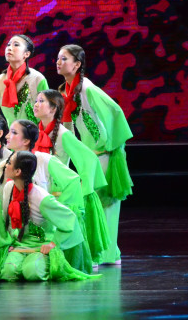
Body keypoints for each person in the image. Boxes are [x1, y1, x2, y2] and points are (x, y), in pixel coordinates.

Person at [57, 44, 133, 265]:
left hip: (104, 154)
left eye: (64, 58)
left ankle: (106, 254)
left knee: (104, 204)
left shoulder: (87, 89)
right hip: (90, 155)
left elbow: (115, 111)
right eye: (58, 58)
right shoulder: (67, 91)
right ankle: (105, 253)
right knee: (93, 204)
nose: (58, 62)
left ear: (77, 64)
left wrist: (109, 145)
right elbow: (68, 125)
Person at [0, 119, 95, 274]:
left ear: (26, 140)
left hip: (45, 230)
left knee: (32, 271)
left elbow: (72, 181)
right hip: (20, 235)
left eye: (14, 132)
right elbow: (5, 205)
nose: (7, 136)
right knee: (9, 271)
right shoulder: (4, 167)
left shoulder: (43, 159)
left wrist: (58, 207)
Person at [32, 89, 110, 265]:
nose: (36, 104)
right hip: (39, 192)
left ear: (53, 109)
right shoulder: (35, 132)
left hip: (58, 195)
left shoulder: (63, 134)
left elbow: (89, 159)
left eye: (41, 101)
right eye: (36, 100)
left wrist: (85, 188)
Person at [0, 34, 48, 126]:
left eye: (16, 45)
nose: (9, 48)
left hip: (36, 133)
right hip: (12, 133)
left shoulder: (37, 79)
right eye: (8, 45)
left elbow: (48, 112)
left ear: (26, 54)